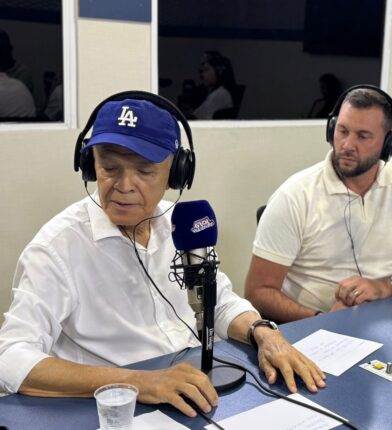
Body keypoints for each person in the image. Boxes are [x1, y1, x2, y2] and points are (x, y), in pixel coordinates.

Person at [0, 92, 324, 417]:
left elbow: (219, 303)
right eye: (109, 167)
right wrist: (139, 382)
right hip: (118, 408)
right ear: (89, 166)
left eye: (144, 171)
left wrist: (264, 333)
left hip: (192, 391)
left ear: (177, 173)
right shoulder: (57, 248)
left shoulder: (183, 225)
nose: (124, 185)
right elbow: (12, 357)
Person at [245, 86, 392, 322]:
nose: (347, 145)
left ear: (388, 143)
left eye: (362, 136)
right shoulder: (293, 196)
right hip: (318, 325)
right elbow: (258, 292)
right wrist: (322, 319)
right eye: (342, 131)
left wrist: (388, 285)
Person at [192, 50, 236, 119]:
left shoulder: (221, 94)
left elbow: (196, 117)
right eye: (201, 71)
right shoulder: (211, 93)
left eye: (206, 70)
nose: (202, 75)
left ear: (219, 71)